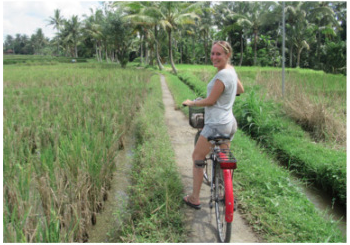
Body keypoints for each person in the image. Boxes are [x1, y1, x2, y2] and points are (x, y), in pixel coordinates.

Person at [182, 40, 244, 209]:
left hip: (216, 124)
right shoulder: (231, 71)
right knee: (224, 158)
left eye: (219, 54)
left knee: (197, 157)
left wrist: (191, 103)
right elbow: (240, 90)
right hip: (229, 124)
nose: (214, 57)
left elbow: (210, 101)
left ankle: (194, 198)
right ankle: (225, 193)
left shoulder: (222, 75)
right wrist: (228, 95)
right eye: (212, 53)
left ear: (227, 55)